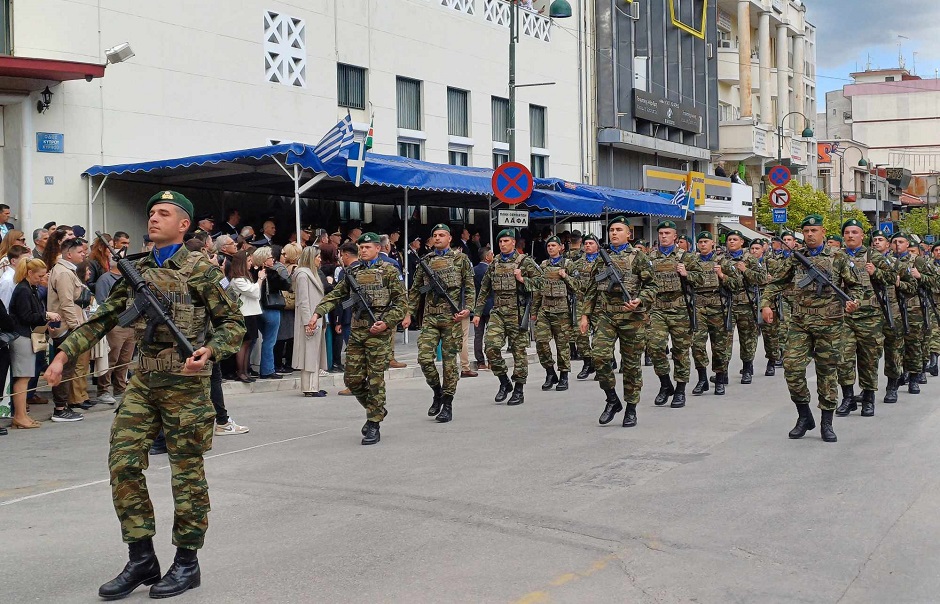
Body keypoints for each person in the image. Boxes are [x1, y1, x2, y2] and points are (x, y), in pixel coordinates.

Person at [44, 190, 245, 599]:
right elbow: (104, 317)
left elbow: (233, 323)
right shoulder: (135, 270)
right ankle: (141, 558)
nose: (153, 218)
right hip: (143, 382)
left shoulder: (199, 270)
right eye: (151, 212)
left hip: (186, 386)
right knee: (122, 463)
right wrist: (63, 355)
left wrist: (211, 350)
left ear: (184, 224)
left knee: (185, 474)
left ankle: (187, 562)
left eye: (163, 213)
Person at [761, 214, 861, 443]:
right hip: (800, 322)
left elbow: (857, 287)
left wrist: (853, 301)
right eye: (806, 231)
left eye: (814, 231)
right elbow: (776, 282)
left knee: (827, 374)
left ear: (823, 232)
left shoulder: (838, 257)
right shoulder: (796, 258)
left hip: (830, 323)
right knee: (792, 368)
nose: (810, 235)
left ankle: (827, 422)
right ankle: (804, 415)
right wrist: (765, 304)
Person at [311, 233, 407, 445]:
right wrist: (318, 312)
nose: (363, 250)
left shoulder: (389, 271)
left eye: (367, 247)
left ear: (377, 249)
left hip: (378, 333)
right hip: (357, 331)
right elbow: (337, 295)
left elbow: (401, 304)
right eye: (361, 247)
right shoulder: (352, 271)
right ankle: (377, 409)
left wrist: (387, 322)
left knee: (375, 380)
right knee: (352, 379)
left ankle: (373, 423)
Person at [584, 216, 657, 427]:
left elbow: (652, 286)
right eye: (612, 230)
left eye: (619, 230)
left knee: (632, 365)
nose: (614, 233)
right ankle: (612, 399)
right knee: (598, 357)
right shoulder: (601, 258)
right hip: (607, 315)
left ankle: (631, 408)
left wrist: (640, 300)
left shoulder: (639, 258)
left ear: (628, 234)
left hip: (631, 318)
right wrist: (584, 315)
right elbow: (591, 289)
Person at [402, 224, 475, 423]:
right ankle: (437, 391)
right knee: (424, 359)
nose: (437, 238)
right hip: (430, 317)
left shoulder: (461, 260)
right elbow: (416, 290)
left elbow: (469, 287)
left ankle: (448, 403)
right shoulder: (425, 261)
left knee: (450, 364)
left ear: (450, 238)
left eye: (441, 235)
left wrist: (467, 309)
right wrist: (408, 313)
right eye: (434, 235)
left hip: (452, 318)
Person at [473, 228, 542, 406]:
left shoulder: (524, 262)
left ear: (513, 243)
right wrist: (478, 313)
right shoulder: (494, 263)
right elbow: (484, 289)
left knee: (519, 352)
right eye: (500, 242)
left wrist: (522, 280)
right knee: (491, 347)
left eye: (506, 241)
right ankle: (504, 381)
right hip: (498, 312)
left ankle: (519, 388)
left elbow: (541, 282)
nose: (503, 244)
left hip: (517, 313)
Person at [835, 219, 892, 417]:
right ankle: (848, 398)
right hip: (845, 316)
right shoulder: (837, 256)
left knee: (868, 360)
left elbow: (894, 278)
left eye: (854, 232)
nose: (850, 235)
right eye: (847, 232)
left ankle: (868, 399)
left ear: (862, 235)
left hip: (870, 317)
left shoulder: (874, 255)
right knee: (843, 358)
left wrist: (876, 273)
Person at [647, 220, 704, 408]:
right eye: (661, 233)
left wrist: (687, 274)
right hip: (657, 308)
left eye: (667, 233)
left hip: (680, 310)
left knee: (680, 351)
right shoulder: (650, 257)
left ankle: (680, 390)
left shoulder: (686, 257)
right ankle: (665, 384)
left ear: (675, 237)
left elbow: (702, 279)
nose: (663, 236)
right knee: (655, 347)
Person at [7, 259, 59, 429]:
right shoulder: (23, 290)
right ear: (30, 273)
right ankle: (19, 415)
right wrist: (46, 315)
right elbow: (26, 316)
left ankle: (22, 415)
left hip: (27, 335)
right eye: (39, 275)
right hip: (22, 336)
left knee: (25, 376)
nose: (42, 278)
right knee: (23, 378)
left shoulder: (30, 288)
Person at [47, 238, 94, 416]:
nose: (83, 254)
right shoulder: (64, 273)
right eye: (80, 252)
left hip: (68, 324)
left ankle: (63, 406)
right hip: (66, 327)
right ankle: (60, 408)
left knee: (68, 369)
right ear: (69, 254)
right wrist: (76, 327)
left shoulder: (66, 270)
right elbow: (66, 303)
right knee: (65, 369)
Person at [690, 232, 740, 396]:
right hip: (699, 307)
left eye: (706, 241)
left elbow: (736, 284)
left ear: (712, 243)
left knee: (719, 345)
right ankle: (702, 378)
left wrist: (722, 275)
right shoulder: (692, 262)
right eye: (700, 242)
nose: (703, 244)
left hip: (718, 307)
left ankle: (719, 378)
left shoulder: (723, 261)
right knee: (697, 344)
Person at [532, 235, 577, 392]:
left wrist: (565, 277)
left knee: (562, 345)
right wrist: (534, 311)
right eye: (548, 245)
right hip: (545, 309)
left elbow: (577, 287)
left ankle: (564, 375)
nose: (550, 248)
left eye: (553, 245)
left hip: (562, 311)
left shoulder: (568, 264)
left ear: (560, 248)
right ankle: (550, 372)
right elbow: (538, 290)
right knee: (541, 342)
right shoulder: (543, 266)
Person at [891, 232, 935, 394]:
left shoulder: (917, 260)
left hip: (914, 308)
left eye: (901, 241)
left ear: (907, 244)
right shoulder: (888, 261)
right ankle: (900, 374)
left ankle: (915, 377)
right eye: (894, 241)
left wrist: (920, 276)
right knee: (896, 345)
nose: (897, 244)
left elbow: (934, 280)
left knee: (914, 344)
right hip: (894, 308)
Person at [94, 248, 136, 405]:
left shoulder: (129, 279)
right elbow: (102, 302)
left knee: (125, 359)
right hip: (115, 324)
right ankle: (103, 389)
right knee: (111, 359)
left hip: (130, 323)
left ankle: (120, 387)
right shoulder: (105, 279)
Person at [725, 230, 765, 385]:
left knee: (747, 339)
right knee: (725, 340)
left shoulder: (750, 259)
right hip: (727, 304)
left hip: (747, 304)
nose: (732, 242)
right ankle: (723, 371)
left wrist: (745, 270)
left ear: (742, 242)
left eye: (735, 239)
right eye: (729, 239)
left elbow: (762, 278)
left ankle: (747, 369)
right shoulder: (721, 258)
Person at [293, 245, 328, 396]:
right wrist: (308, 322)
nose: (320, 259)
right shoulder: (303, 275)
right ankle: (309, 387)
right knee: (309, 354)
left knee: (314, 354)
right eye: (318, 256)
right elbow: (303, 301)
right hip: (309, 320)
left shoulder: (309, 274)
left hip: (315, 319)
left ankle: (314, 386)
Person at [253, 245, 291, 379]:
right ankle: (268, 370)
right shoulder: (272, 273)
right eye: (270, 257)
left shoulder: (252, 272)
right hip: (271, 308)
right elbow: (287, 285)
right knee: (270, 341)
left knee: (259, 339)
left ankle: (252, 367)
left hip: (256, 309)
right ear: (264, 260)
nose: (273, 260)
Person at [227, 250, 262, 383]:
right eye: (248, 261)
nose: (251, 263)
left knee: (248, 343)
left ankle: (245, 371)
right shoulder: (237, 280)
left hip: (250, 313)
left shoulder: (244, 278)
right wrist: (260, 279)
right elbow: (253, 292)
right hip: (244, 314)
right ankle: (240, 371)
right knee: (242, 344)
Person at [570, 235, 600, 379]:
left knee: (599, 336)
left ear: (597, 246)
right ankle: (588, 362)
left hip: (600, 302)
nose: (587, 246)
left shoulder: (603, 262)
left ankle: (601, 364)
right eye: (586, 243)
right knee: (579, 333)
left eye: (591, 243)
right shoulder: (577, 263)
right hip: (582, 301)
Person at [274, 242, 302, 373]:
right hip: (290, 305)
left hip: (283, 304)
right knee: (289, 335)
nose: (283, 255)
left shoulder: (283, 267)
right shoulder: (293, 269)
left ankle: (281, 362)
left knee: (283, 335)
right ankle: (286, 363)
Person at [472, 246, 493, 370]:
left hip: (477, 307)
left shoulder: (473, 270)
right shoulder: (491, 270)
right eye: (491, 254)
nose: (493, 256)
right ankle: (491, 360)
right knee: (490, 335)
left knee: (478, 335)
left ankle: (480, 362)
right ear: (487, 257)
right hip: (490, 305)